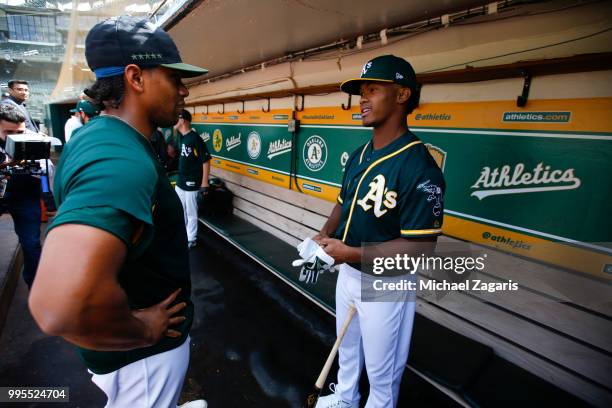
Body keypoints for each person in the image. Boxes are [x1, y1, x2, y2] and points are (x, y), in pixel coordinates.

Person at [28, 16, 209, 408]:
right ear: (136, 78)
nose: (184, 90)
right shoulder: (120, 156)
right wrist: (141, 331)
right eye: (174, 77)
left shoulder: (103, 134)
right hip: (142, 362)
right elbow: (56, 305)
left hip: (133, 360)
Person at [313, 55, 445, 408]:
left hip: (387, 280)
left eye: (373, 89)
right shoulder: (359, 154)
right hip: (349, 272)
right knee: (348, 349)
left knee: (382, 372)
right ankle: (345, 398)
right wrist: (323, 233)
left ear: (402, 95)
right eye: (361, 92)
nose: (363, 99)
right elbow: (342, 203)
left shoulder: (419, 166)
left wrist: (350, 253)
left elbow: (420, 249)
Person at [0, 104, 42, 289]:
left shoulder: (34, 140)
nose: (15, 137)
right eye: (8, 132)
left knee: (32, 243)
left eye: (20, 132)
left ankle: (36, 288)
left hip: (25, 194)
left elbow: (47, 170)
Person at [174, 109, 211, 249]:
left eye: (176, 118)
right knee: (179, 209)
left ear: (182, 120)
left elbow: (206, 160)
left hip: (192, 182)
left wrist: (204, 183)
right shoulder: (182, 137)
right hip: (181, 180)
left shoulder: (194, 138)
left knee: (191, 212)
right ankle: (182, 234)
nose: (174, 121)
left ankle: (191, 238)